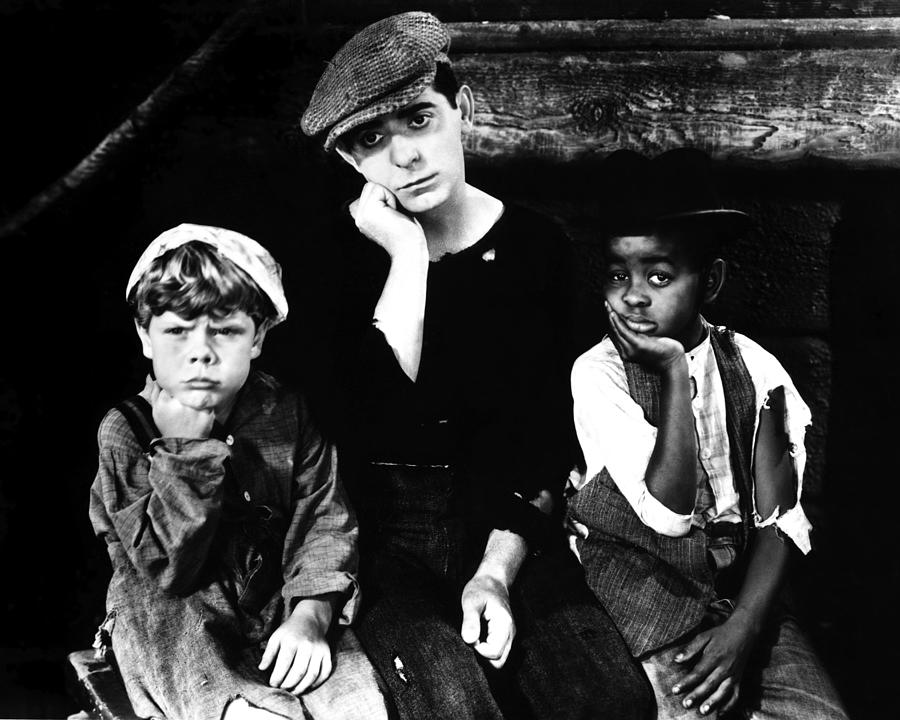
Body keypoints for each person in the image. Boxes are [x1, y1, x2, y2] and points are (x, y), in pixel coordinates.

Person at [299, 11, 654, 720]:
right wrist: (404, 259)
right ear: (351, 163)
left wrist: (495, 574)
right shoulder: (339, 258)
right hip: (387, 541)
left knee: (603, 697)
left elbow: (541, 435)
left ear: (461, 109)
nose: (404, 156)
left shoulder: (535, 247)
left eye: (420, 120)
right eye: (373, 140)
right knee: (452, 701)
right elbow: (367, 420)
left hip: (507, 520)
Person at [567, 148, 849, 719]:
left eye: (660, 275)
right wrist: (673, 372)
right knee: (694, 712)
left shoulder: (754, 368)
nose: (634, 294)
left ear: (710, 281)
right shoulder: (597, 374)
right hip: (645, 593)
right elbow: (668, 513)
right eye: (619, 274)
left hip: (743, 595)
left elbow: (780, 519)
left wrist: (744, 629)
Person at [88, 224, 389, 720]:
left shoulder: (286, 411)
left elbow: (324, 518)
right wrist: (185, 452)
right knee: (177, 637)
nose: (201, 351)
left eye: (225, 330)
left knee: (355, 693)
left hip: (273, 596)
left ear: (258, 337)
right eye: (177, 330)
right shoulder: (126, 431)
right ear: (145, 337)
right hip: (178, 609)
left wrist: (311, 615)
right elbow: (168, 571)